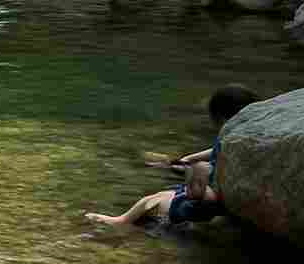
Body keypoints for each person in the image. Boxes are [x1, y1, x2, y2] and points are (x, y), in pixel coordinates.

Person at [85, 85, 261, 230]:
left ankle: (120, 221)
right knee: (175, 187)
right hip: (221, 190)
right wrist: (189, 158)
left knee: (152, 200)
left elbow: (214, 182)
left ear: (221, 118)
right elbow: (215, 150)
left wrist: (191, 171)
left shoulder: (229, 135)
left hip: (209, 198)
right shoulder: (242, 136)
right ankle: (196, 186)